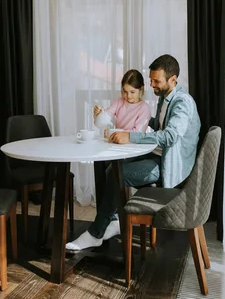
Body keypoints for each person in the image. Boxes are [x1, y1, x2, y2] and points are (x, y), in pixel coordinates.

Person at [66, 54, 201, 252]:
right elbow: (161, 126)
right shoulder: (166, 98)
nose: (152, 84)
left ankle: (95, 234)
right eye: (151, 79)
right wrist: (144, 122)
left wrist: (131, 136)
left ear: (173, 79)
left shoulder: (182, 102)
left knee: (116, 174)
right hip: (161, 156)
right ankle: (112, 222)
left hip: (171, 165)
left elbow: (170, 136)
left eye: (157, 81)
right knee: (112, 168)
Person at [94, 69, 151, 136]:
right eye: (125, 92)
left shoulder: (144, 108)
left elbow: (139, 132)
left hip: (134, 145)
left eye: (132, 92)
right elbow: (105, 119)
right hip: (118, 142)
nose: (128, 96)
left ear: (141, 89)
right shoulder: (119, 102)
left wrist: (114, 133)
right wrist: (99, 114)